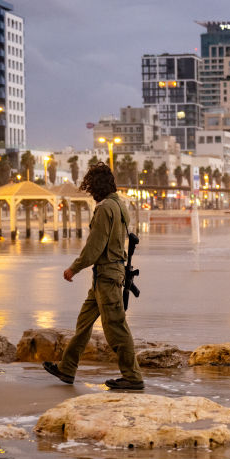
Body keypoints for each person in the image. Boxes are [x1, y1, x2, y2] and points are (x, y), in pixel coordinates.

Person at [42, 163, 144, 390]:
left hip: (107, 277)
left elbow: (94, 247)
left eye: (91, 188)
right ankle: (67, 369)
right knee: (84, 323)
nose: (91, 193)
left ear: (97, 186)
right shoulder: (120, 204)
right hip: (105, 276)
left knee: (116, 327)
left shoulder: (105, 208)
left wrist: (73, 268)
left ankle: (133, 377)